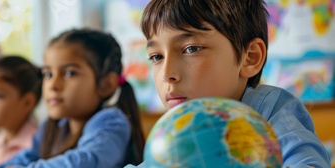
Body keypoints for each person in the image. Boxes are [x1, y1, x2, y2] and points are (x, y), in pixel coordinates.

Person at [131, 0, 331, 167]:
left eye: (191, 49)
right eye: (156, 57)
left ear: (250, 57)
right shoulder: (174, 134)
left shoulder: (270, 113)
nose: (167, 74)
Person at [0, 29, 145, 167]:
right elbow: (22, 160)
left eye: (69, 73)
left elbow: (86, 162)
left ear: (106, 85)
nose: (53, 85)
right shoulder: (51, 127)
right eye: (48, 74)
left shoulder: (111, 122)